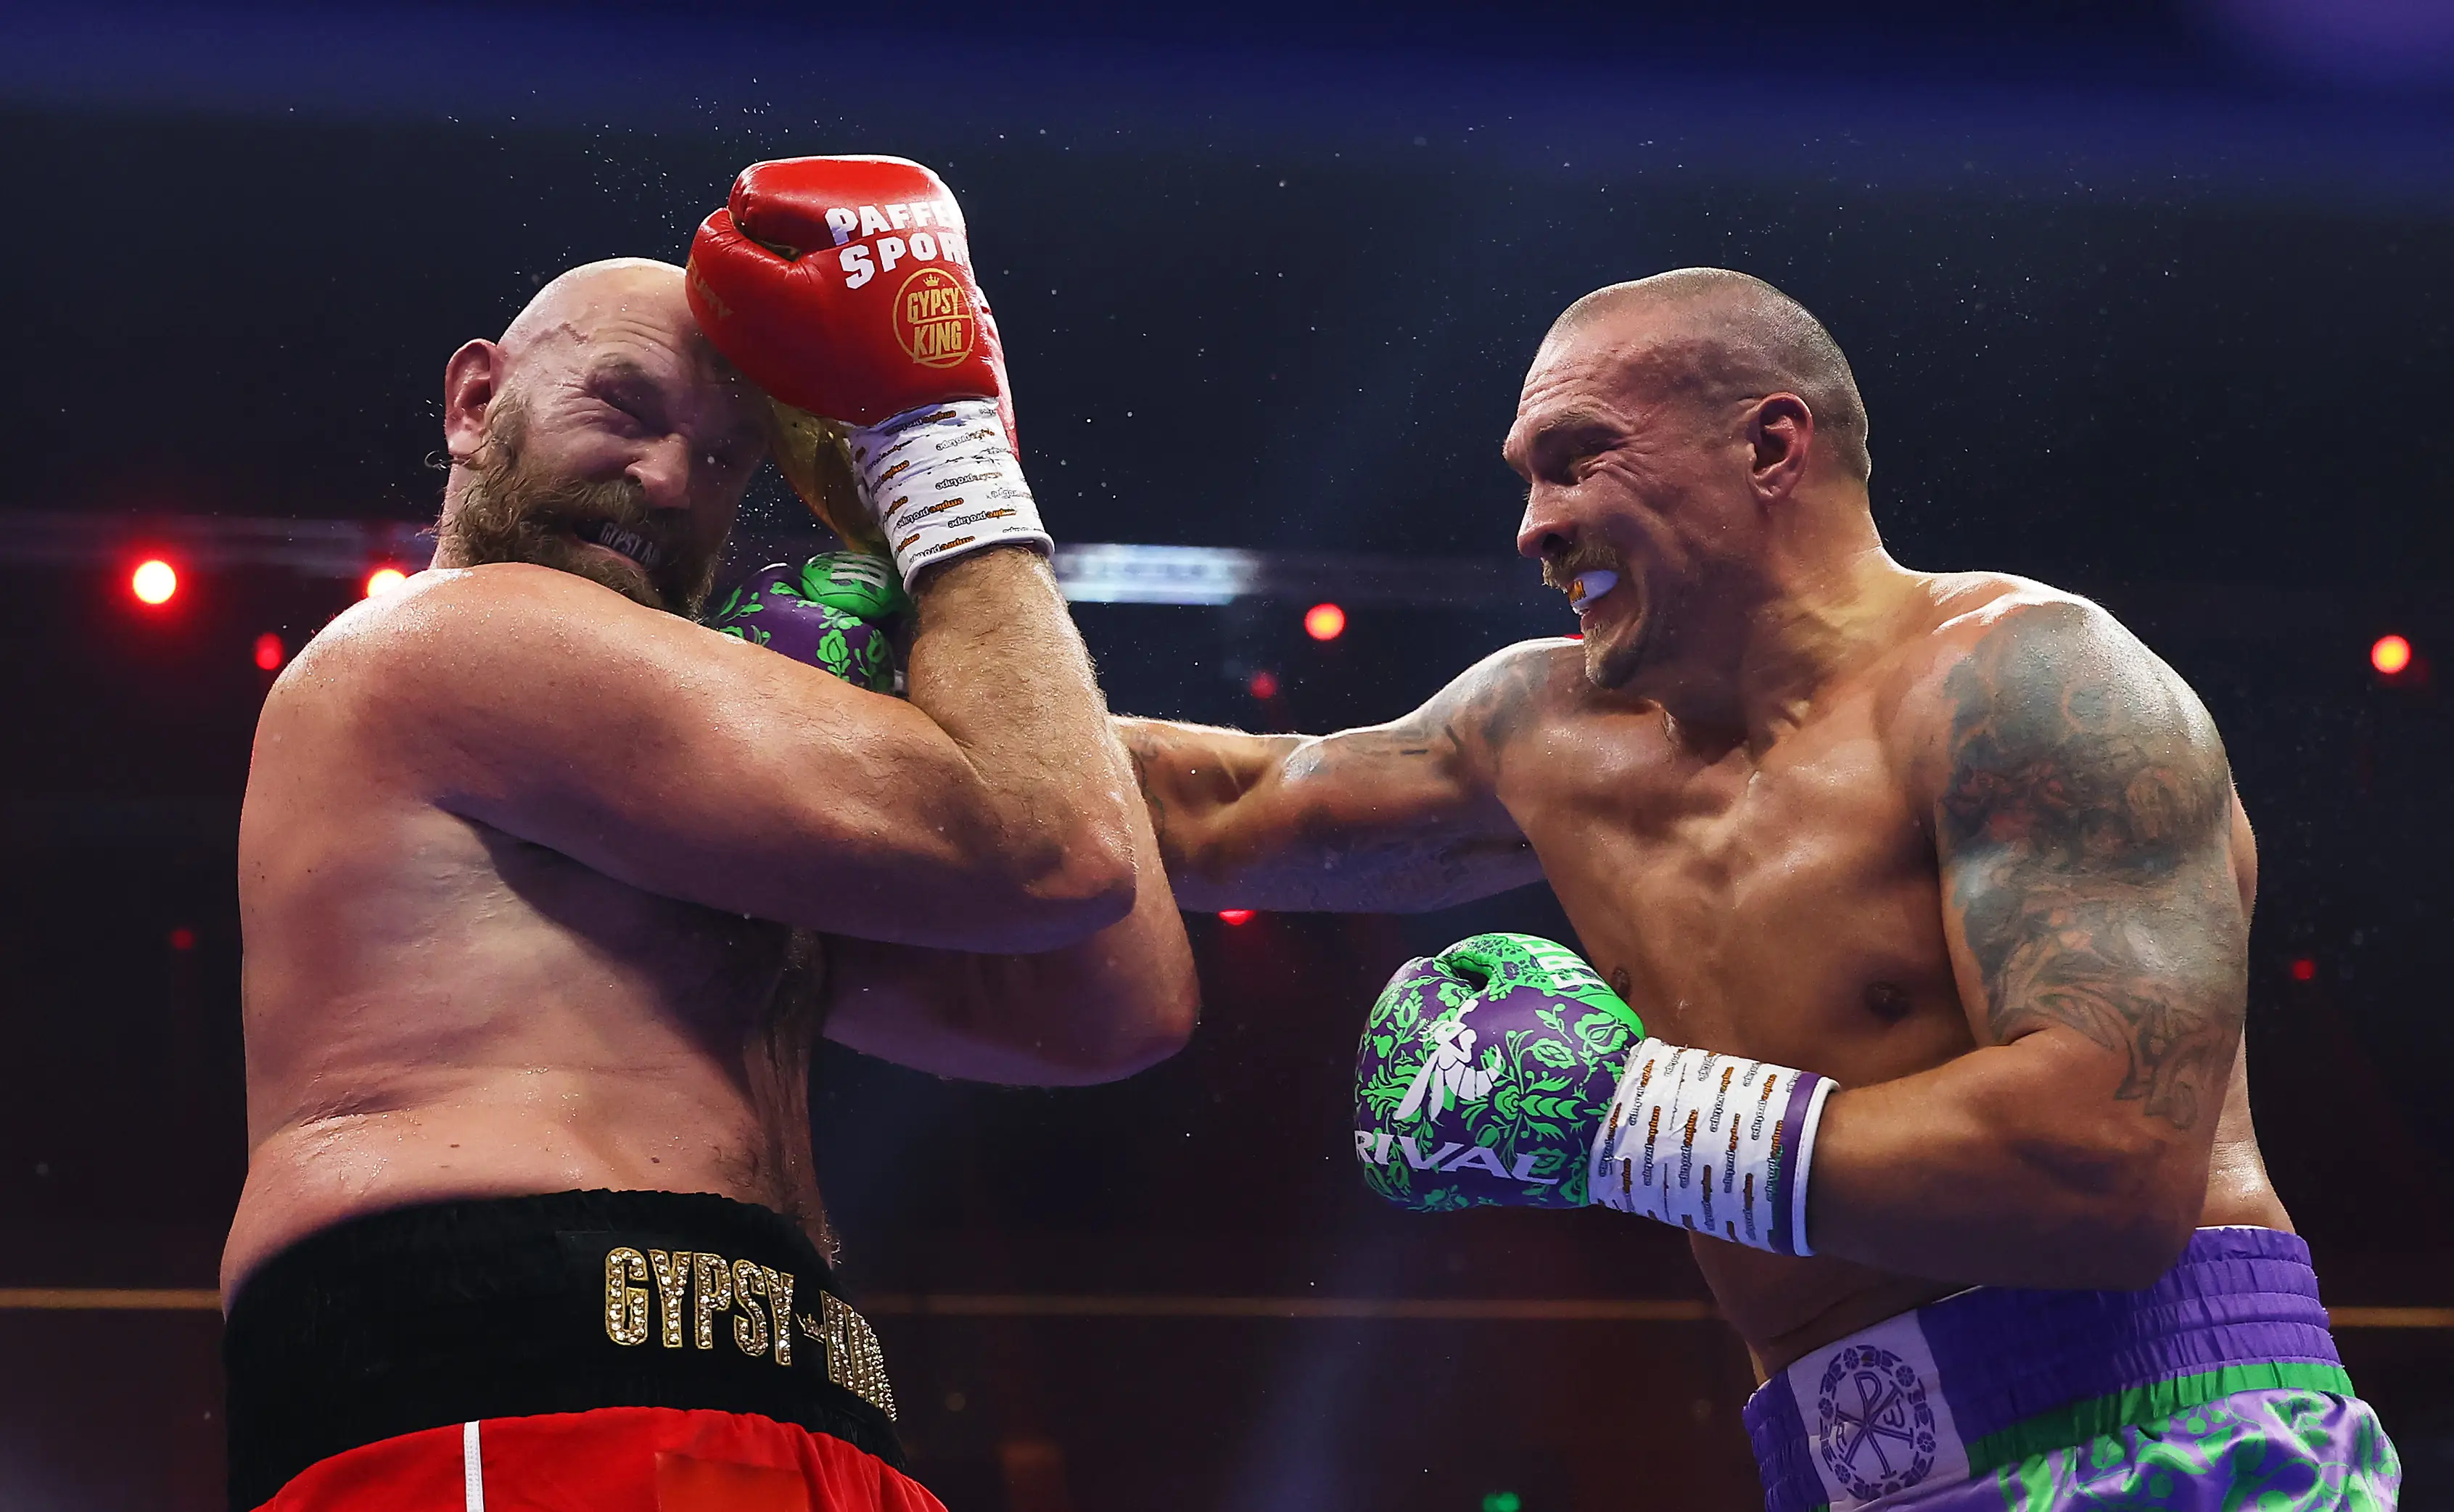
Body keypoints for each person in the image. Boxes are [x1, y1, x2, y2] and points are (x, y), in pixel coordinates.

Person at [1119, 269, 2399, 1510]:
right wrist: (941, 625)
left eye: (1576, 459)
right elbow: (1220, 809)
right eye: (1526, 480)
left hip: (2161, 1445)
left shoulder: (2024, 686)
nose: (1535, 525)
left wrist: (1626, 1121)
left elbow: (2105, 1171)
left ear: (1770, 447)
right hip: (1842, 1464)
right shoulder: (1543, 730)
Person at [223, 154, 1198, 1512]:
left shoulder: (698, 813)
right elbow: (1057, 846)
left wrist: (913, 555)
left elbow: (1108, 1002)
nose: (670, 480)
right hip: (502, 1394)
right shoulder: (445, 642)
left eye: (726, 457)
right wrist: (946, 456)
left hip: (811, 1409)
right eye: (622, 408)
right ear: (474, 400)